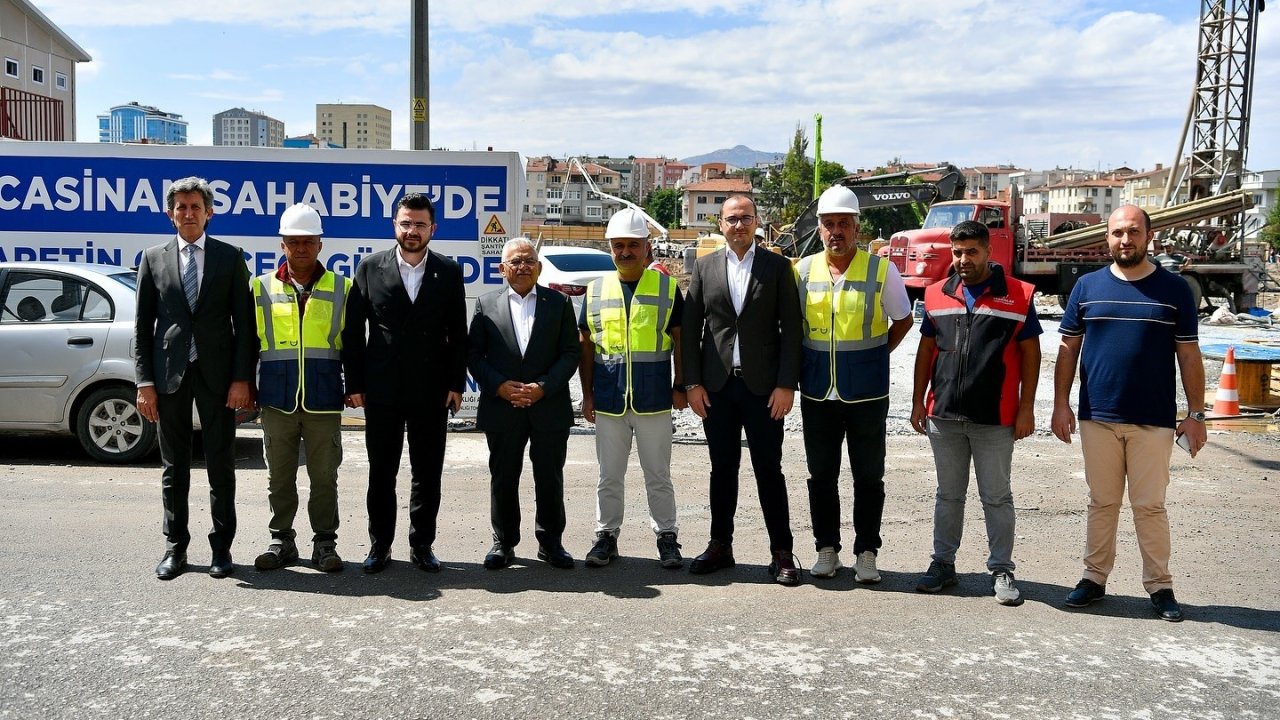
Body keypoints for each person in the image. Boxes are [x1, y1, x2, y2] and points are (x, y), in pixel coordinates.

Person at [1052, 204, 1206, 623]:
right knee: (1102, 502)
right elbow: (1068, 348)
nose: (1125, 240)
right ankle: (1093, 579)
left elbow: (1189, 355)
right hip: (1096, 416)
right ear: (1107, 237)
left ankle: (1160, 586)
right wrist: (1060, 404)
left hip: (1154, 419)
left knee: (1149, 505)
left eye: (1133, 232)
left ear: (1148, 236)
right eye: (1118, 232)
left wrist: (1196, 414)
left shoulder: (1173, 289)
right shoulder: (1087, 287)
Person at [909, 220, 1042, 606]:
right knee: (948, 495)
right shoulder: (936, 295)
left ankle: (1001, 569)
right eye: (957, 252)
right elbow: (925, 353)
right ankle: (943, 565)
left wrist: (1027, 408)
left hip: (996, 417)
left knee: (996, 496)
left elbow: (1031, 356)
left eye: (971, 252)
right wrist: (919, 401)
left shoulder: (1017, 295)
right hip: (944, 415)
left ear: (988, 252)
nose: (963, 259)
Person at [135, 176, 256, 580]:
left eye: (195, 207)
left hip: (219, 377)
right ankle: (176, 549)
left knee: (221, 464)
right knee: (174, 468)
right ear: (170, 214)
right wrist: (144, 383)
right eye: (181, 207)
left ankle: (222, 549)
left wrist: (242, 379)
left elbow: (246, 325)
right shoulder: (152, 259)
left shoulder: (229, 256)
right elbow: (142, 327)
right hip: (169, 376)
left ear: (209, 213)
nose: (188, 214)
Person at [682, 194, 804, 585]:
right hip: (717, 389)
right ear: (720, 224)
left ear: (757, 223)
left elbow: (792, 331)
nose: (739, 225)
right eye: (731, 219)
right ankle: (721, 545)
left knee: (769, 470)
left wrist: (787, 385)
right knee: (723, 470)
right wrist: (692, 383)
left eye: (745, 218)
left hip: (764, 390)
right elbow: (691, 332)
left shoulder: (778, 267)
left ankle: (782, 552)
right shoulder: (703, 268)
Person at [343, 192, 467, 574]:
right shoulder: (369, 267)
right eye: (406, 223)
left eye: (420, 224)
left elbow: (458, 333)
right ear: (394, 225)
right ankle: (379, 546)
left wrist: (456, 384)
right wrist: (355, 383)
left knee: (427, 473)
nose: (412, 231)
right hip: (382, 392)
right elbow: (352, 332)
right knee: (382, 472)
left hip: (431, 391)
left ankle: (422, 545)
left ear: (433, 228)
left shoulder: (448, 271)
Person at [798, 185, 914, 583]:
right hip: (817, 392)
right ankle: (826, 548)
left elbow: (902, 320)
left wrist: (874, 356)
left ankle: (867, 551)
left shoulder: (882, 270)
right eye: (829, 224)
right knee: (822, 476)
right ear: (819, 228)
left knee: (868, 477)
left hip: (866, 393)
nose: (836, 232)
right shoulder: (802, 270)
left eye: (843, 224)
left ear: (856, 227)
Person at [579, 207, 686, 569]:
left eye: (633, 245)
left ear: (647, 247)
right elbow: (587, 345)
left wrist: (680, 385)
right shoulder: (595, 291)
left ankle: (667, 536)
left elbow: (680, 340)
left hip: (654, 399)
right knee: (609, 475)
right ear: (610, 247)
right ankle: (606, 536)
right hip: (609, 400)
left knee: (658, 474)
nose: (625, 252)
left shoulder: (668, 288)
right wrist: (588, 394)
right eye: (618, 245)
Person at [250, 203, 353, 573]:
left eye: (308, 241)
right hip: (276, 399)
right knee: (279, 476)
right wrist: (246, 388)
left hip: (323, 399)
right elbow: (248, 343)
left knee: (324, 477)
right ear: (282, 245)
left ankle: (325, 544)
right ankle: (282, 541)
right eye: (293, 242)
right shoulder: (259, 287)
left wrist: (354, 386)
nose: (301, 248)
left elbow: (353, 344)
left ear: (320, 244)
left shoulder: (343, 286)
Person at [468, 238, 580, 570]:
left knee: (550, 477)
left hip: (548, 406)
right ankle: (503, 542)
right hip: (502, 407)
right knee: (503, 476)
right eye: (515, 262)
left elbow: (570, 353)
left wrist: (542, 388)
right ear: (502, 269)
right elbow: (474, 355)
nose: (522, 267)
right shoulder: (486, 304)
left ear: (539, 267)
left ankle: (551, 543)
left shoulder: (558, 303)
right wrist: (499, 387)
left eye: (529, 261)